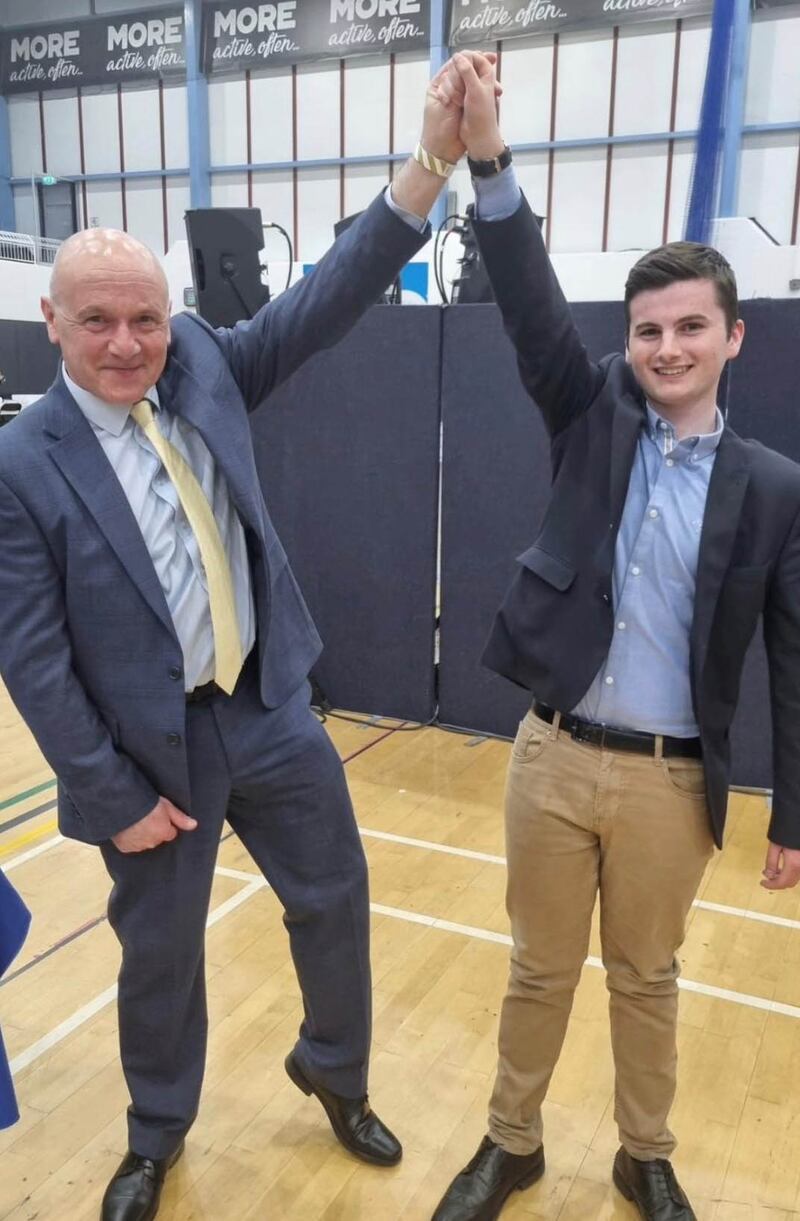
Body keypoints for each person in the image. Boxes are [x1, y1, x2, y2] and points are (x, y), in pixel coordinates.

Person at [0, 63, 477, 1221]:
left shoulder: (205, 361)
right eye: (100, 321)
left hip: (265, 706)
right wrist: (108, 792)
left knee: (335, 898)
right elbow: (33, 653)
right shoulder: (22, 464)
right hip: (148, 752)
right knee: (160, 959)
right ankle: (155, 1136)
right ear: (51, 322)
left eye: (146, 318)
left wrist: (430, 166)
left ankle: (333, 1069)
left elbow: (328, 295)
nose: (128, 343)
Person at [430, 53, 800, 1221]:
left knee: (646, 978)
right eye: (646, 329)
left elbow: (790, 660)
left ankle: (645, 1154)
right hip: (552, 760)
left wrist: (792, 815)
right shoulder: (590, 411)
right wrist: (487, 159)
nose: (665, 348)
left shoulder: (773, 488)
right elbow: (532, 301)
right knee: (536, 970)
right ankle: (511, 1141)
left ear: (731, 338)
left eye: (690, 327)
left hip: (670, 782)